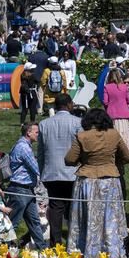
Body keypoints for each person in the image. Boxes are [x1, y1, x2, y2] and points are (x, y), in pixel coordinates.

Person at [65, 107, 129, 258]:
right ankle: (113, 253)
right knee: (111, 219)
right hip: (110, 181)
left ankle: (84, 252)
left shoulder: (82, 136)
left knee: (86, 219)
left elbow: (69, 159)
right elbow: (128, 157)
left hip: (87, 181)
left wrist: (84, 159)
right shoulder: (114, 134)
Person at [37, 94, 82, 246]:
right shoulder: (77, 122)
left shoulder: (44, 124)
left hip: (52, 172)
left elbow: (41, 152)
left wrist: (42, 171)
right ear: (69, 105)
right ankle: (73, 242)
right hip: (72, 172)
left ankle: (55, 243)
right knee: (73, 209)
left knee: (56, 208)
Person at [5, 121, 45, 248]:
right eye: (36, 132)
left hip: (27, 190)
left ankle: (42, 249)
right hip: (20, 189)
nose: (38, 135)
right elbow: (37, 168)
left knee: (34, 221)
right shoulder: (23, 147)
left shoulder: (23, 145)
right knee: (13, 223)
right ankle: (3, 249)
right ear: (29, 132)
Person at [103, 67, 129, 151]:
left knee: (114, 133)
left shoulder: (107, 87)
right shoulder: (124, 87)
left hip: (112, 114)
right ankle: (127, 149)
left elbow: (105, 102)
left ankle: (115, 149)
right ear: (119, 76)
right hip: (124, 113)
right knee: (125, 132)